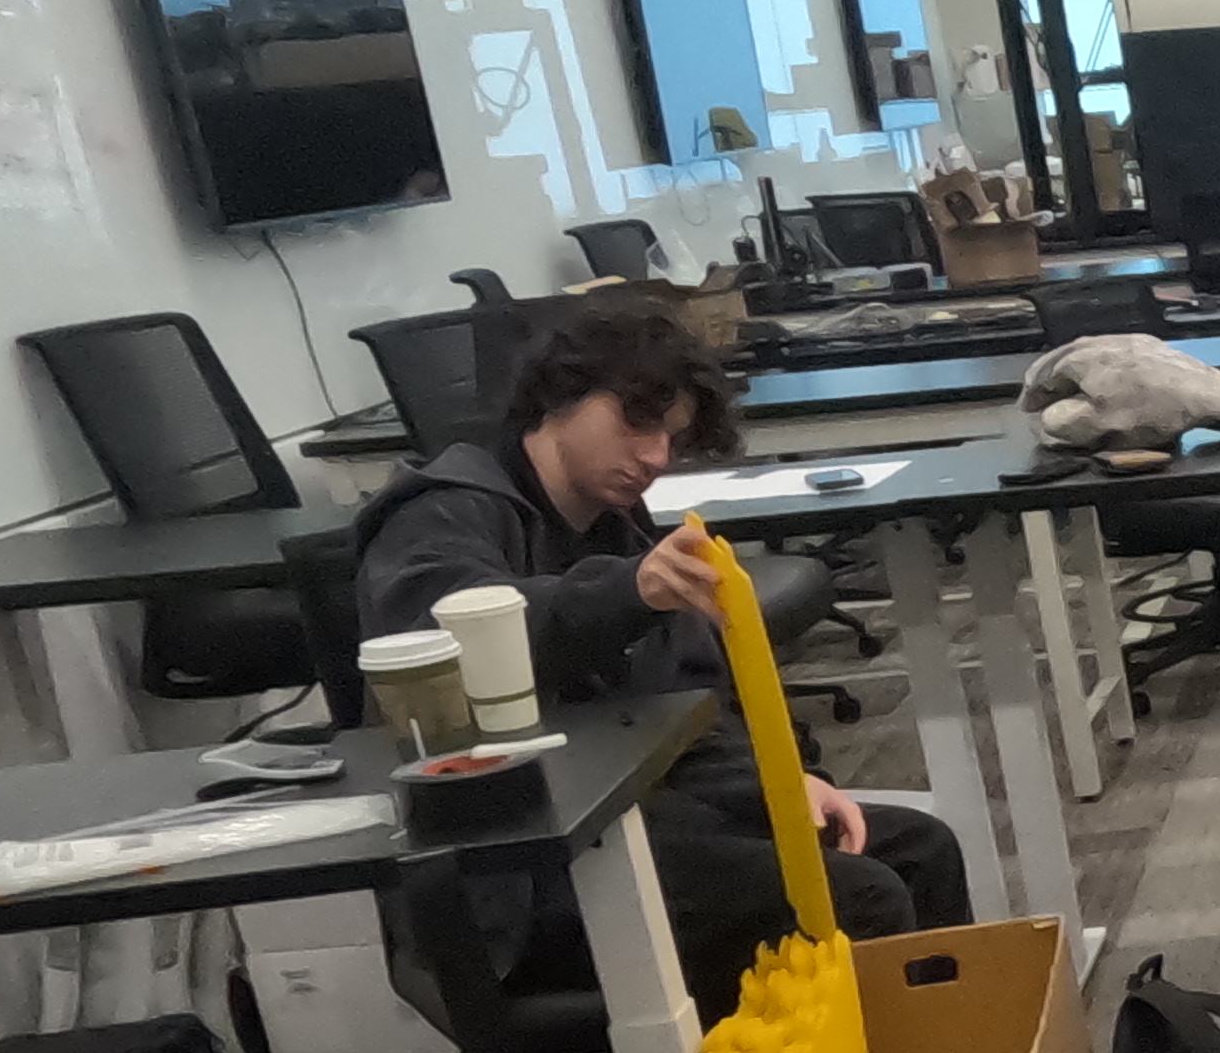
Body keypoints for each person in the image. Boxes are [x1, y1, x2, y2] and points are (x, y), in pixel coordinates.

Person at [350, 293, 968, 1011]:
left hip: (638, 814)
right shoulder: (443, 510)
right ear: (561, 394)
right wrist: (628, 591)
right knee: (859, 897)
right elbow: (455, 635)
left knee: (920, 850)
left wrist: (782, 783)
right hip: (523, 872)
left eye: (671, 439)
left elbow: (688, 699)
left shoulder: (614, 523)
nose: (655, 458)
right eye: (637, 422)